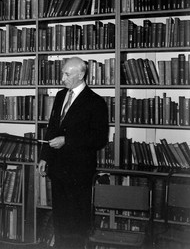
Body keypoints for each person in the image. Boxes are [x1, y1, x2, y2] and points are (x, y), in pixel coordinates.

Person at [37, 57, 109, 249]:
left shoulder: (96, 102)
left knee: (77, 221)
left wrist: (67, 141)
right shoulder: (61, 96)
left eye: (67, 74)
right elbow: (52, 127)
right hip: (58, 169)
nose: (62, 78)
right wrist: (45, 156)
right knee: (60, 218)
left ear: (81, 74)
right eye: (62, 73)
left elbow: (99, 138)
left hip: (79, 172)